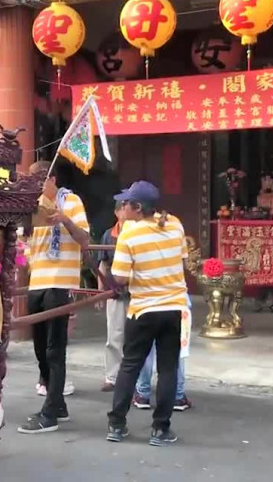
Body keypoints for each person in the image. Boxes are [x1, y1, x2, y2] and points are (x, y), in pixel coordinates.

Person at [107, 181, 189, 447]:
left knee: (130, 365)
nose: (123, 207)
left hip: (143, 309)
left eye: (126, 203)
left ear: (138, 208)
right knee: (167, 369)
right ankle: (160, 429)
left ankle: (116, 425)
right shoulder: (175, 224)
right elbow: (183, 260)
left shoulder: (129, 234)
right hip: (173, 308)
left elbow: (120, 277)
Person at [18, 160, 90, 434]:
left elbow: (84, 239)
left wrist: (65, 220)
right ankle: (57, 403)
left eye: (40, 179)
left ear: (53, 179)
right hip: (38, 280)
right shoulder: (33, 205)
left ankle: (49, 413)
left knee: (54, 349)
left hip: (60, 282)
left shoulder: (71, 201)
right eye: (31, 180)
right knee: (39, 348)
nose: (36, 184)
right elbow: (26, 245)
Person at [98, 200, 128, 392]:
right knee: (114, 335)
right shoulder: (109, 235)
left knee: (135, 336)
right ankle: (112, 376)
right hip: (115, 290)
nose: (126, 211)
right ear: (117, 212)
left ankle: (135, 378)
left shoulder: (140, 233)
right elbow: (102, 263)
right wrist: (101, 291)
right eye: (123, 208)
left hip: (137, 291)